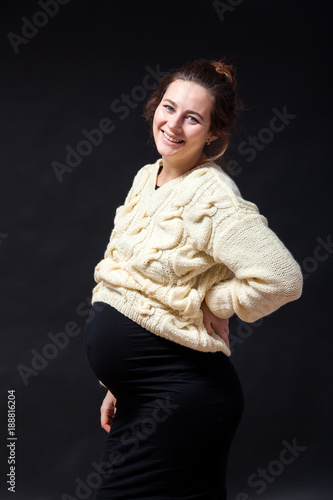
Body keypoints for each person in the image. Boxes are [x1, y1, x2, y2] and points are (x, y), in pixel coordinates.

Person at [84, 58, 303, 499]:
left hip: (182, 398)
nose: (174, 125)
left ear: (214, 132)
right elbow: (127, 283)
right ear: (153, 108)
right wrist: (119, 385)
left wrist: (212, 303)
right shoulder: (148, 178)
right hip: (143, 394)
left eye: (193, 118)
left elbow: (283, 278)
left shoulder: (212, 195)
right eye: (168, 108)